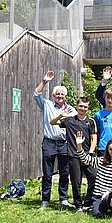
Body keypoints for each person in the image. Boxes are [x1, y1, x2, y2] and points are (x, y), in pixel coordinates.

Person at [34, 70, 77, 209]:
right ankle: (45, 200)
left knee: (65, 172)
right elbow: (36, 94)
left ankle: (63, 199)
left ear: (66, 96)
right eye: (57, 94)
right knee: (47, 172)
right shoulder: (46, 105)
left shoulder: (71, 110)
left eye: (62, 94)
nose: (60, 96)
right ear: (53, 96)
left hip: (64, 143)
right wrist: (45, 81)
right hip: (49, 142)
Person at [50, 96, 97, 210]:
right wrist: (61, 115)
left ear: (88, 108)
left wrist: (90, 153)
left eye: (85, 107)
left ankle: (88, 202)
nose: (82, 108)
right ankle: (79, 206)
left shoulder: (90, 122)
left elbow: (94, 138)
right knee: (76, 182)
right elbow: (52, 122)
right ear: (77, 106)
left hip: (87, 155)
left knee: (94, 177)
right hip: (73, 155)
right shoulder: (70, 120)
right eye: (80, 106)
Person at [75, 135, 112, 218]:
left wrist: (109, 192)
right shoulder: (101, 161)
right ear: (107, 150)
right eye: (110, 149)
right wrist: (79, 145)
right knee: (98, 215)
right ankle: (97, 208)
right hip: (98, 196)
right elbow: (85, 158)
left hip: (111, 195)